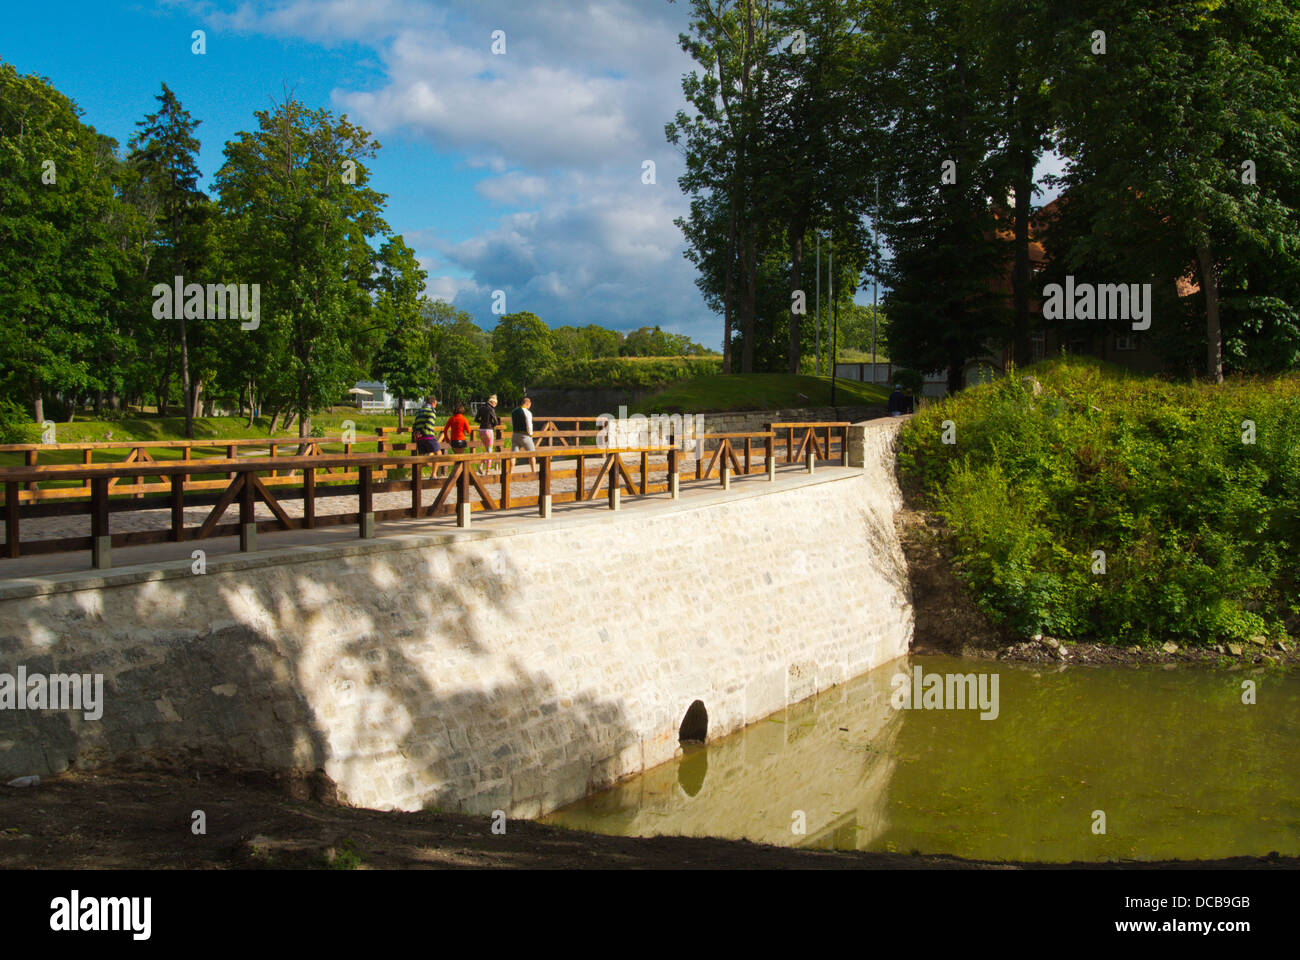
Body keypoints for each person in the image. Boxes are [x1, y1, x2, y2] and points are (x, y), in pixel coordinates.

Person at [411, 396, 441, 477]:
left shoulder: (420, 411)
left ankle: (417, 475)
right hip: (428, 436)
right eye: (436, 404)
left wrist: (416, 432)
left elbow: (415, 423)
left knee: (420, 457)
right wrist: (423, 431)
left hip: (419, 438)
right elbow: (429, 423)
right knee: (438, 454)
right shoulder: (431, 411)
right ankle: (433, 474)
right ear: (433, 402)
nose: (436, 405)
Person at [510, 396, 537, 475]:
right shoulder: (527, 412)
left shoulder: (513, 411)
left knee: (513, 454)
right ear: (527, 403)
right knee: (532, 453)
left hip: (515, 434)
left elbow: (511, 422)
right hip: (524, 435)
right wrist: (530, 433)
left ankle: (511, 471)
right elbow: (529, 424)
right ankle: (533, 471)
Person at [475, 394, 501, 475]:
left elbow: (476, 419)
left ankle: (481, 465)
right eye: (495, 404)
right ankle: (487, 470)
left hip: (481, 431)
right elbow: (496, 422)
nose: (495, 406)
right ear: (493, 402)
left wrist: (482, 423)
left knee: (487, 450)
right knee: (489, 451)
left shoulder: (481, 408)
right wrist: (491, 425)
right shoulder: (491, 409)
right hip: (488, 431)